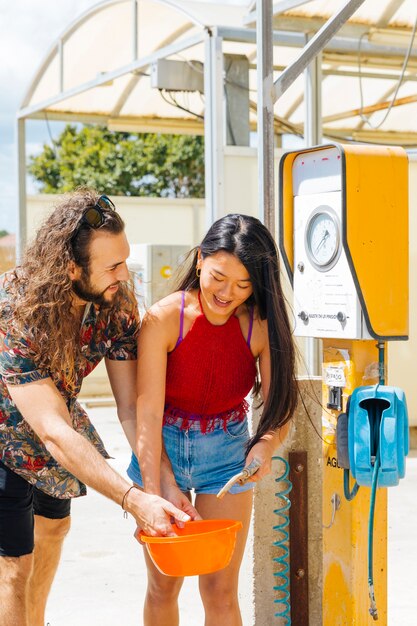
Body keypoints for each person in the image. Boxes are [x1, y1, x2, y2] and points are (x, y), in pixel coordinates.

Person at [0, 189, 193, 626]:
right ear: (70, 267)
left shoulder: (116, 304)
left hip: (56, 426)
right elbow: (52, 430)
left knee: (53, 530)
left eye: (124, 260)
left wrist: (160, 482)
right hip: (6, 431)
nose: (124, 275)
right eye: (112, 266)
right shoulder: (15, 309)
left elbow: (131, 408)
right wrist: (131, 499)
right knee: (14, 565)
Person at [127, 213, 299, 626]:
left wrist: (265, 445)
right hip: (159, 448)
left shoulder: (259, 325)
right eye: (219, 277)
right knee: (164, 583)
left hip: (225, 456)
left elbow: (280, 408)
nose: (229, 294)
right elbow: (146, 412)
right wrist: (153, 492)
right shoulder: (164, 318)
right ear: (200, 259)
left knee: (220, 591)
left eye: (244, 285)